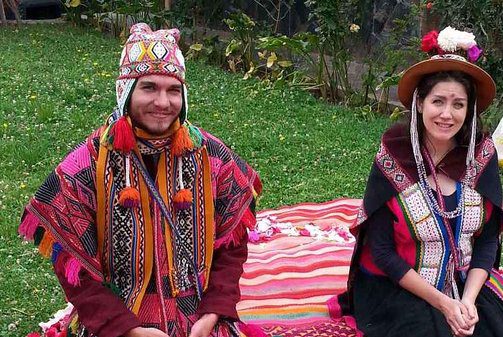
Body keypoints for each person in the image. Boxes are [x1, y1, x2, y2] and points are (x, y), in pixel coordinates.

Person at [18, 23, 262, 337]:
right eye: (149, 87)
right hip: (117, 321)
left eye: (173, 90)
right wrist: (128, 329)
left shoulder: (210, 156)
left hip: (197, 318)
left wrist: (213, 311)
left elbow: (232, 245)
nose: (163, 102)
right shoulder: (88, 163)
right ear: (126, 91)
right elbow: (75, 271)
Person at [337, 27, 503, 337]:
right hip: (396, 286)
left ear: (469, 111)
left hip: (463, 283)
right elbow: (382, 251)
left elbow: (488, 241)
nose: (447, 114)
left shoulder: (481, 154)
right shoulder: (395, 154)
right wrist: (444, 303)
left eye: (458, 104)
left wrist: (466, 301)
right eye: (438, 101)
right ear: (419, 103)